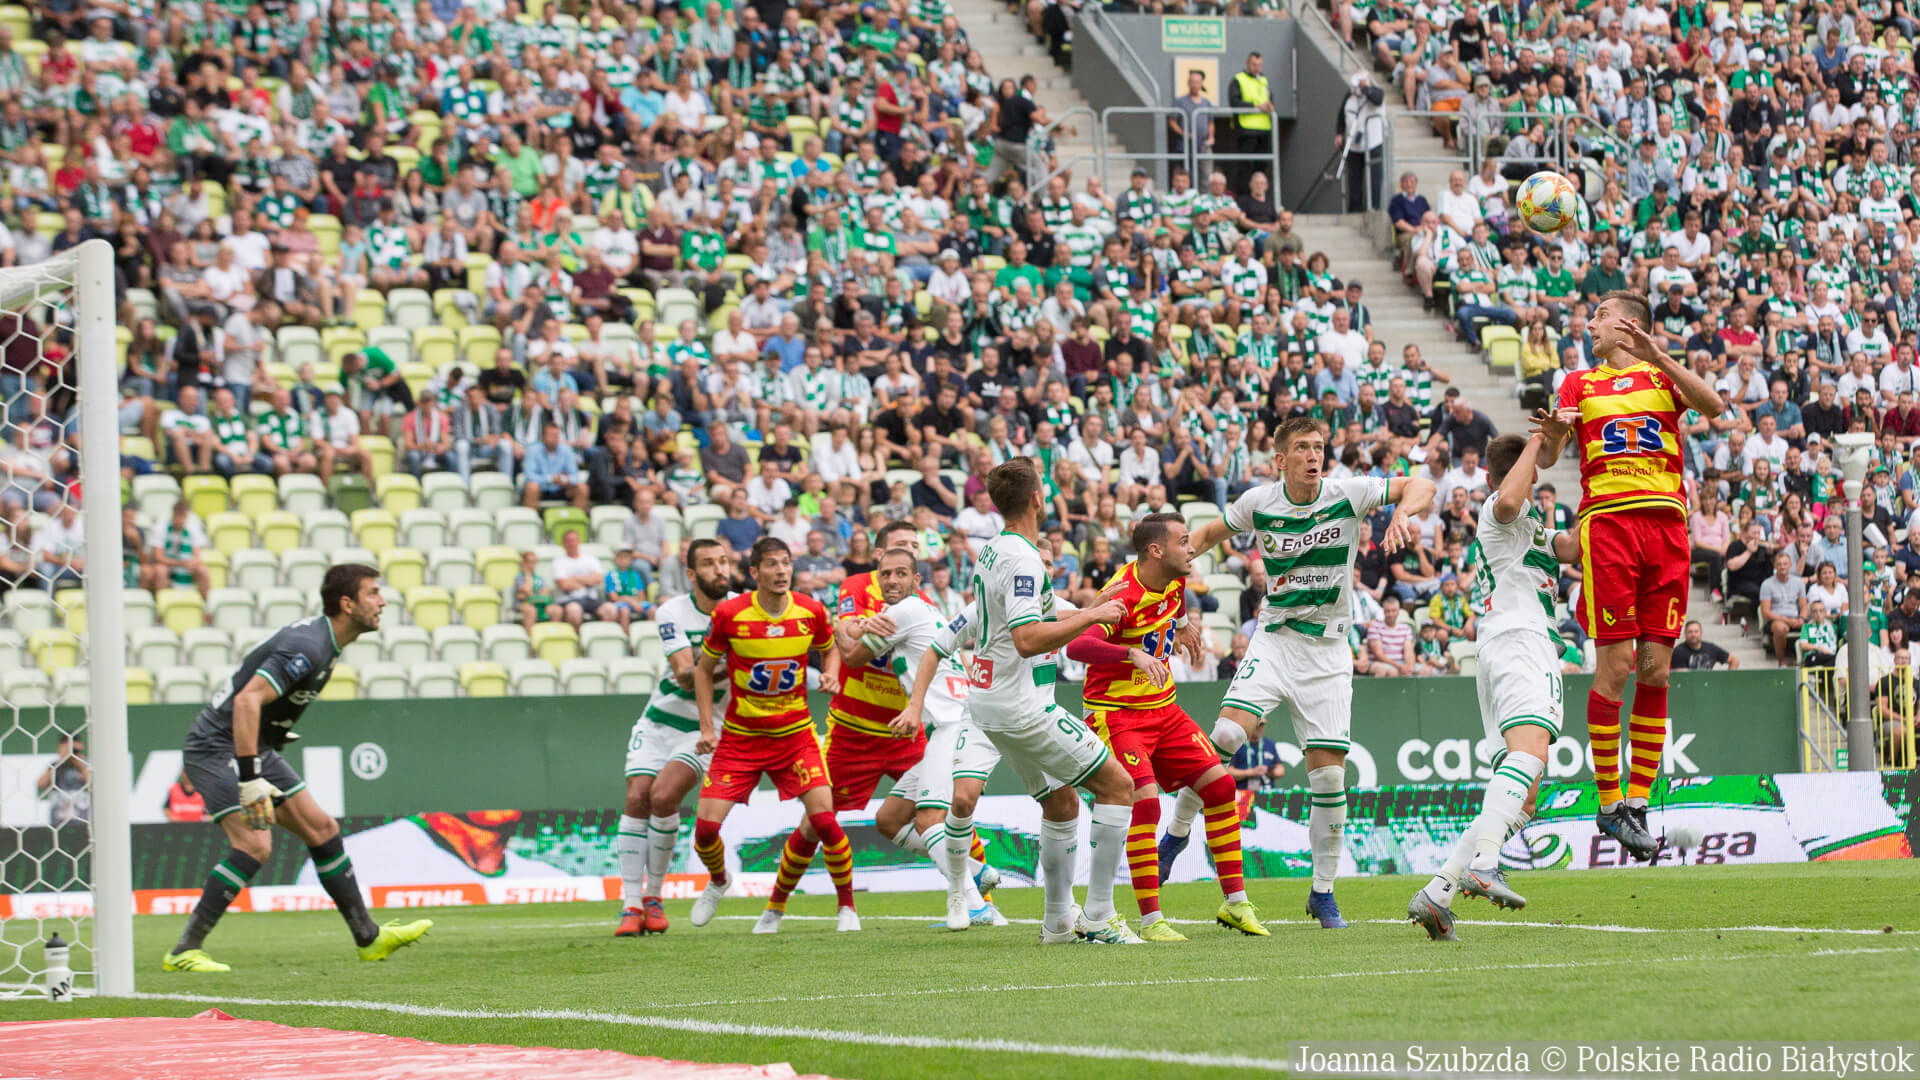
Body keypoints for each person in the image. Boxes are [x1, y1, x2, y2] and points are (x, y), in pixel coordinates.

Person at [1168, 415, 1436, 927]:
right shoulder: (1259, 502)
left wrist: (1403, 510)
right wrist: (1169, 565)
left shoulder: (1348, 493)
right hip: (1276, 639)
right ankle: (1176, 834)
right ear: (1280, 459)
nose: (1314, 456)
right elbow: (1204, 534)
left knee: (1330, 777)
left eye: (1318, 447)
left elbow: (1420, 483)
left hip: (1329, 651)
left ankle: (1322, 892)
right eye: (1302, 448)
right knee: (1227, 733)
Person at [913, 458, 1138, 944]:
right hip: (1023, 708)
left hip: (991, 704)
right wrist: (1091, 616)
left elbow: (1034, 613)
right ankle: (1099, 918)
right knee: (1119, 787)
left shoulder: (994, 549)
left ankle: (1058, 923)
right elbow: (1027, 638)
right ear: (1037, 498)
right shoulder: (1023, 559)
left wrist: (1088, 607)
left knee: (1061, 802)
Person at [162, 565, 430, 973]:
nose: (382, 602)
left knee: (322, 829)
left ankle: (369, 938)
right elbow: (247, 701)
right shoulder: (309, 647)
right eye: (373, 593)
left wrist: (273, 734)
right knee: (255, 845)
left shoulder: (325, 643)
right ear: (347, 604)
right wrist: (250, 778)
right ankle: (184, 950)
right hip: (216, 749)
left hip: (253, 744)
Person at [1539, 291, 1722, 862]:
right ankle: (1609, 801)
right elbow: (1547, 459)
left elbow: (1714, 406)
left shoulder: (1663, 375)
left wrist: (1659, 354)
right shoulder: (1578, 383)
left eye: (1600, 314)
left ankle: (1636, 805)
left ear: (1629, 324)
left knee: (1656, 669)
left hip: (1666, 526)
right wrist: (1553, 433)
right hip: (1609, 525)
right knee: (1617, 665)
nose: (1589, 323)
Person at [1064, 512, 1266, 940]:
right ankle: (1151, 920)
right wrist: (1131, 654)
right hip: (1116, 714)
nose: (1192, 549)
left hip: (1164, 709)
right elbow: (1077, 646)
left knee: (1221, 787)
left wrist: (1184, 626)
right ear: (1156, 550)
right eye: (1183, 541)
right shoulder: (1122, 593)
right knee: (1147, 804)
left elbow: (1171, 606)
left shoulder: (1174, 579)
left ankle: (1235, 903)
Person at [1410, 431, 1567, 939]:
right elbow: (1509, 500)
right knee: (1531, 753)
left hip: (1506, 644)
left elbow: (1575, 547)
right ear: (1526, 470)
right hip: (1521, 640)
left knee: (1524, 798)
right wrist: (1539, 441)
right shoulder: (1501, 510)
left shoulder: (1531, 526)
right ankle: (1485, 864)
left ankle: (1439, 891)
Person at [747, 522, 932, 932]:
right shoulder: (856, 586)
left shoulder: (925, 604)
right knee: (816, 819)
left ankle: (982, 899)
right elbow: (844, 640)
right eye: (900, 546)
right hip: (853, 731)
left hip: (905, 732)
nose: (908, 552)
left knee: (945, 809)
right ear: (879, 555)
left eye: (914, 547)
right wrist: (859, 627)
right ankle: (777, 907)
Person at [688, 538, 858, 932]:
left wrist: (831, 672)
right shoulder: (730, 614)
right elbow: (703, 670)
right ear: (754, 572)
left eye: (786, 563)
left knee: (825, 821)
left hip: (795, 736)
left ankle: (847, 908)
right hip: (740, 738)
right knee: (705, 831)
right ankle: (719, 880)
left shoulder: (810, 610)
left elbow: (830, 648)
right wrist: (707, 728)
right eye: (771, 564)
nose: (781, 571)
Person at [843, 544, 1003, 930]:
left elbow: (851, 656)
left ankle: (974, 904)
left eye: (901, 573)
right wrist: (863, 624)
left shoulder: (905, 611)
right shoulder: (925, 611)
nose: (892, 580)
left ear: (916, 580)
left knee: (930, 821)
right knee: (889, 819)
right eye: (885, 574)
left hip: (953, 725)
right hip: (954, 725)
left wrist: (844, 626)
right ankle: (975, 871)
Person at [614, 540, 732, 938]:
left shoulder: (742, 611)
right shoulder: (672, 611)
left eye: (723, 561)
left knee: (663, 796)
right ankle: (631, 904)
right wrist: (732, 663)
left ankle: (653, 896)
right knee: (637, 797)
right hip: (658, 720)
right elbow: (684, 675)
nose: (719, 569)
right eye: (709, 563)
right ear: (691, 574)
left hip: (704, 728)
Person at [1337, 72, 1386, 212]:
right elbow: (1341, 114)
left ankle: (1374, 206)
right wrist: (1339, 133)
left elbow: (1377, 100)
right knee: (1354, 178)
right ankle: (1355, 208)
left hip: (1373, 142)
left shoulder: (1377, 92)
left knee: (1374, 178)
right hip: (1354, 143)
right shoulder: (1349, 96)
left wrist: (1366, 88)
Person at [1227, 52, 1275, 190]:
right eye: (1254, 65)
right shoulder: (1238, 79)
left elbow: (1269, 98)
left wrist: (1270, 105)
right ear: (1247, 64)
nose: (1257, 68)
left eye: (1259, 65)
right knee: (1245, 166)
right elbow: (1234, 102)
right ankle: (1244, 195)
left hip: (1264, 129)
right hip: (1246, 130)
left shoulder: (1263, 80)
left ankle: (1259, 195)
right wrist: (1256, 106)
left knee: (1262, 165)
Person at [35, 735, 89, 827]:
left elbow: (91, 783)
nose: (69, 750)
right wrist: (61, 760)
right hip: (58, 821)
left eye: (72, 748)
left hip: (83, 820)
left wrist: (78, 762)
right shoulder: (55, 765)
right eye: (65, 746)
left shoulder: (87, 764)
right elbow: (40, 784)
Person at [1670, 619, 1738, 670]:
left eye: (1696, 632)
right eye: (1690, 632)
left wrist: (1728, 680)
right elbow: (1684, 676)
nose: (1693, 635)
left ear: (1701, 633)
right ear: (1685, 634)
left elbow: (1734, 661)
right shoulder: (1678, 651)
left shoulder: (1711, 648)